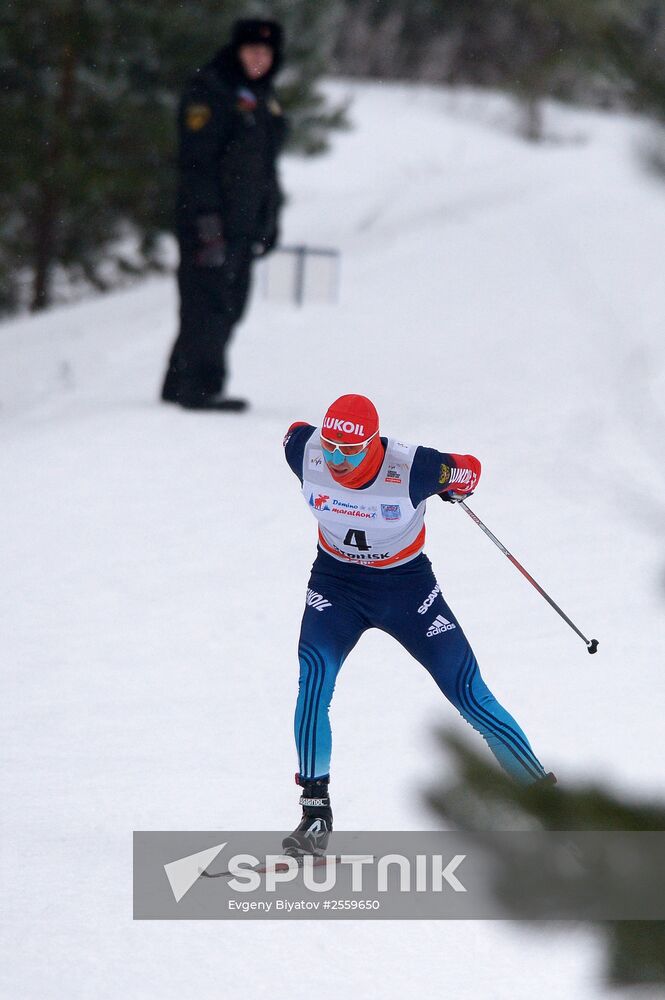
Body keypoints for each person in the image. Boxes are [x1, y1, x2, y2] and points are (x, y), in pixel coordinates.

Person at [281, 393, 555, 857]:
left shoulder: (415, 468)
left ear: (373, 443)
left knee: (469, 692)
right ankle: (315, 814)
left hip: (405, 589)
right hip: (336, 585)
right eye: (330, 448)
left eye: (349, 451)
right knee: (313, 682)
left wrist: (457, 486)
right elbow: (294, 431)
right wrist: (319, 445)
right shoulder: (301, 449)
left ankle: (549, 808)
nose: (336, 461)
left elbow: (469, 469)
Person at [161, 19, 288, 411]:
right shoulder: (211, 90)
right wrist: (207, 224)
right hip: (209, 224)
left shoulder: (261, 96)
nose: (258, 59)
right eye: (251, 51)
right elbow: (196, 164)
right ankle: (200, 389)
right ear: (236, 51)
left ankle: (178, 381)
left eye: (266, 53)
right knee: (208, 304)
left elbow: (263, 170)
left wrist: (268, 222)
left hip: (243, 225)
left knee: (230, 303)